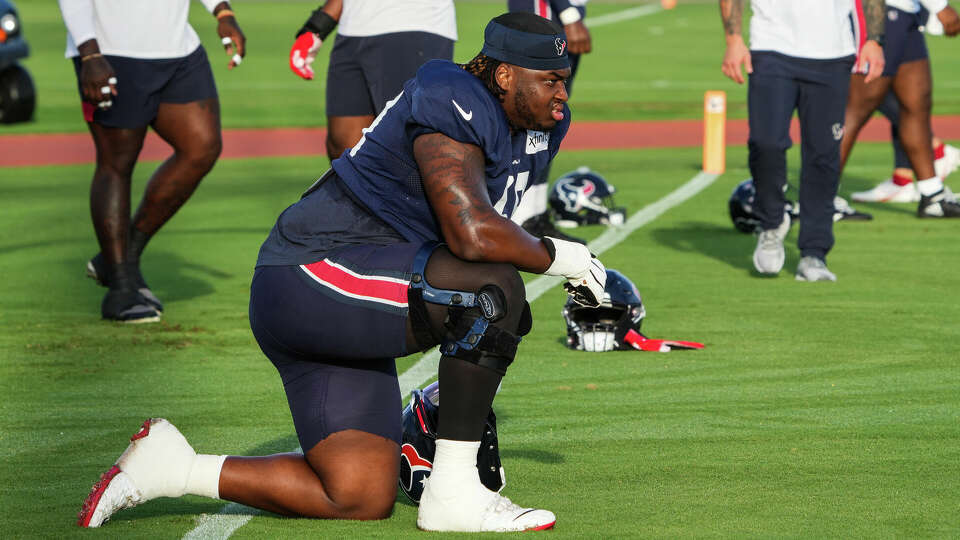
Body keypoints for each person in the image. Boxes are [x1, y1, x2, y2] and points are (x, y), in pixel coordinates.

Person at [77, 13, 606, 533]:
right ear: (506, 75)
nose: (562, 94)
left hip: (359, 289)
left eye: (563, 80)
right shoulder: (452, 92)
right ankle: (453, 493)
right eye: (550, 80)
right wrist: (568, 259)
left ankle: (173, 468)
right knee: (490, 294)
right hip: (311, 272)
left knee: (356, 492)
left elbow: (486, 235)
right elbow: (470, 231)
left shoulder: (535, 127)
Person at [58, 0, 246, 323]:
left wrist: (222, 11)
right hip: (110, 52)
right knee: (117, 163)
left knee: (202, 147)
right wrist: (88, 52)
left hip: (177, 49)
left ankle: (122, 257)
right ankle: (119, 287)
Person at [720, 0, 886, 281]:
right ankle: (772, 223)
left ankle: (814, 253)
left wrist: (873, 39)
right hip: (771, 47)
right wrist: (734, 39)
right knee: (766, 143)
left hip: (833, 54)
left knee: (823, 156)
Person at [288, 0, 456, 162]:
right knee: (344, 151)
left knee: (404, 148)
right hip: (352, 29)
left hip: (413, 23)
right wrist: (317, 27)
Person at [842, 0, 960, 214]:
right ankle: (818, 198)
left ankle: (932, 195)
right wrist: (939, 6)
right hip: (878, 11)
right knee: (856, 109)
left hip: (908, 12)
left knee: (916, 105)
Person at [507, 0, 592, 243]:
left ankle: (534, 216)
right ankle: (519, 217)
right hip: (546, 16)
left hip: (557, 17)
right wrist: (568, 13)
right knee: (534, 112)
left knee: (547, 117)